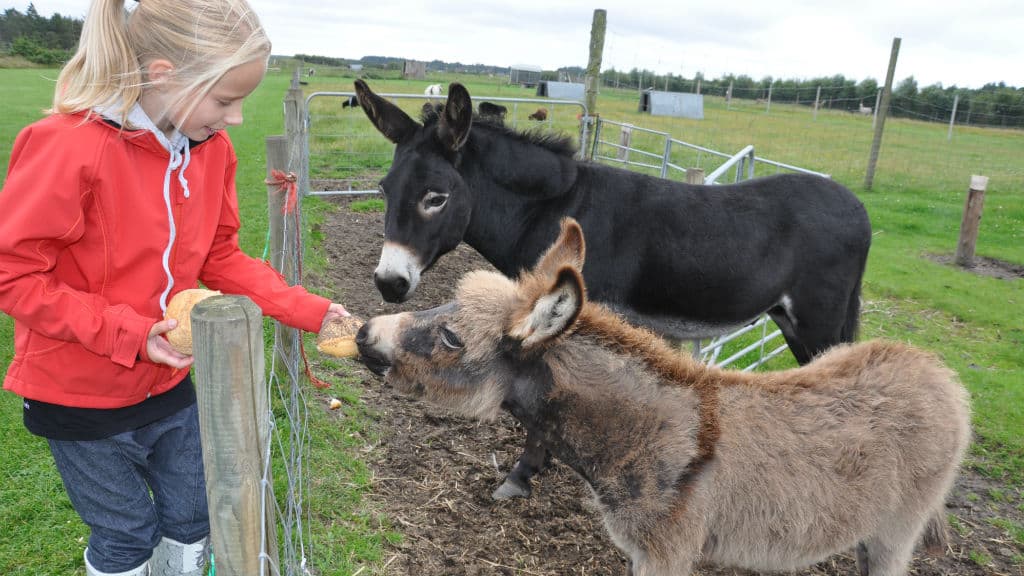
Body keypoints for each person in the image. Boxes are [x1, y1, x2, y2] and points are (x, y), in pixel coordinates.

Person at [0, 1, 349, 575]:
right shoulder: (68, 146)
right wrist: (130, 333)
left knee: (194, 516)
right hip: (79, 393)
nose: (236, 118)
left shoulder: (211, 152)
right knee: (126, 535)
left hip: (169, 379)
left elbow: (222, 256)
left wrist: (308, 310)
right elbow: (14, 275)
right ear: (163, 73)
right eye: (224, 99)